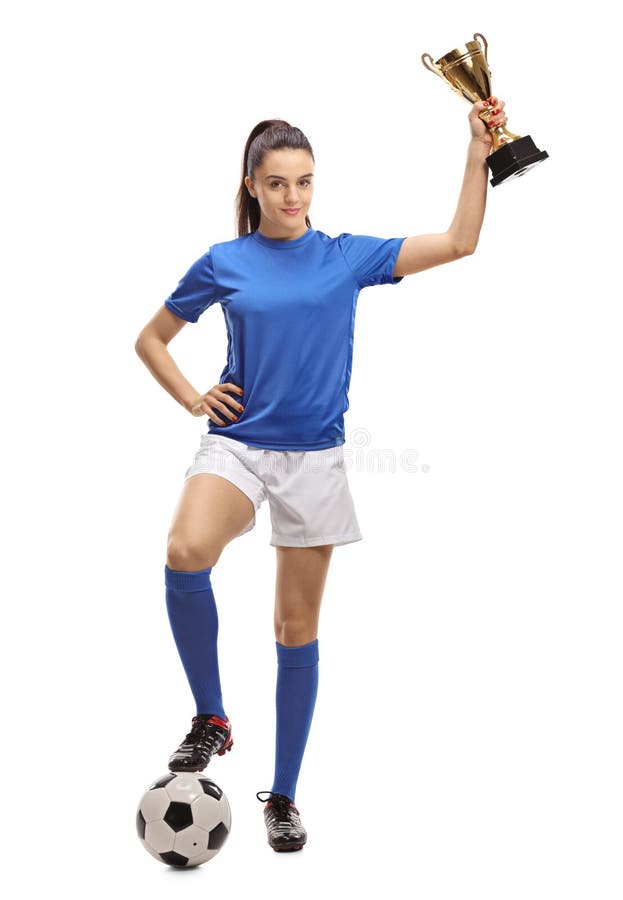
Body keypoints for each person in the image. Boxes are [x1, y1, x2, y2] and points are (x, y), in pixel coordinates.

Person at [134, 96, 507, 853]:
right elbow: (152, 339)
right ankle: (211, 717)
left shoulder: (345, 255)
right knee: (183, 552)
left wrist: (475, 153)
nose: (293, 197)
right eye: (277, 184)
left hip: (314, 457)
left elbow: (461, 241)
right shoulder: (223, 262)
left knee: (293, 629)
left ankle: (285, 796)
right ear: (251, 186)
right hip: (236, 444)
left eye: (304, 182)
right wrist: (191, 395)